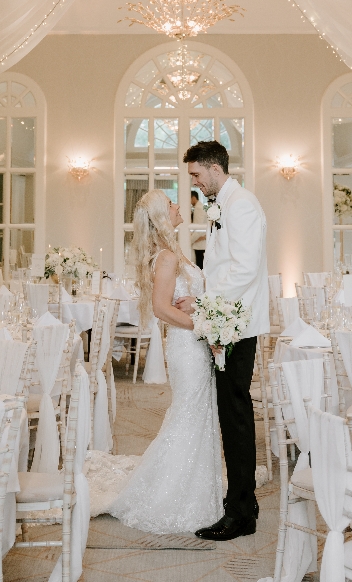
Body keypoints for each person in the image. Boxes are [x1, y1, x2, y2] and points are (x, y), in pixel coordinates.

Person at [107, 189, 223, 534]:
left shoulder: (170, 253)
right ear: (160, 218)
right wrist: (205, 324)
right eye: (171, 205)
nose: (178, 207)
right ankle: (172, 494)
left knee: (198, 413)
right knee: (189, 413)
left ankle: (198, 487)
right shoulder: (168, 258)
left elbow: (180, 301)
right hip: (188, 346)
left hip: (191, 342)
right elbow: (161, 308)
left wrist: (201, 309)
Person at [177, 140, 269, 542]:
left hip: (237, 324)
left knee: (234, 414)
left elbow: (245, 269)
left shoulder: (242, 204)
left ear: (215, 169)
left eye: (196, 174)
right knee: (232, 413)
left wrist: (203, 300)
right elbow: (220, 263)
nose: (194, 182)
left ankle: (240, 514)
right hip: (225, 320)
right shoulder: (222, 205)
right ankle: (243, 502)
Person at [190, 189, 207, 269]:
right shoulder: (199, 207)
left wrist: (190, 240)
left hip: (200, 244)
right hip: (199, 242)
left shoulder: (199, 208)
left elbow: (198, 227)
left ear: (193, 198)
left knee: (200, 266)